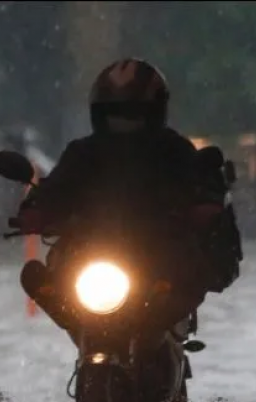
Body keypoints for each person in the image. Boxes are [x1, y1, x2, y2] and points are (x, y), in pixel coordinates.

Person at [13, 57, 242, 337]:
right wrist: (36, 210)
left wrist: (205, 207)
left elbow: (202, 185)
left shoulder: (175, 151)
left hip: (159, 259)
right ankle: (82, 332)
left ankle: (166, 348)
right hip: (93, 255)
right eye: (116, 113)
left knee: (190, 268)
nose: (125, 122)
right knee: (43, 275)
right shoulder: (82, 153)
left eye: (135, 113)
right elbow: (57, 188)